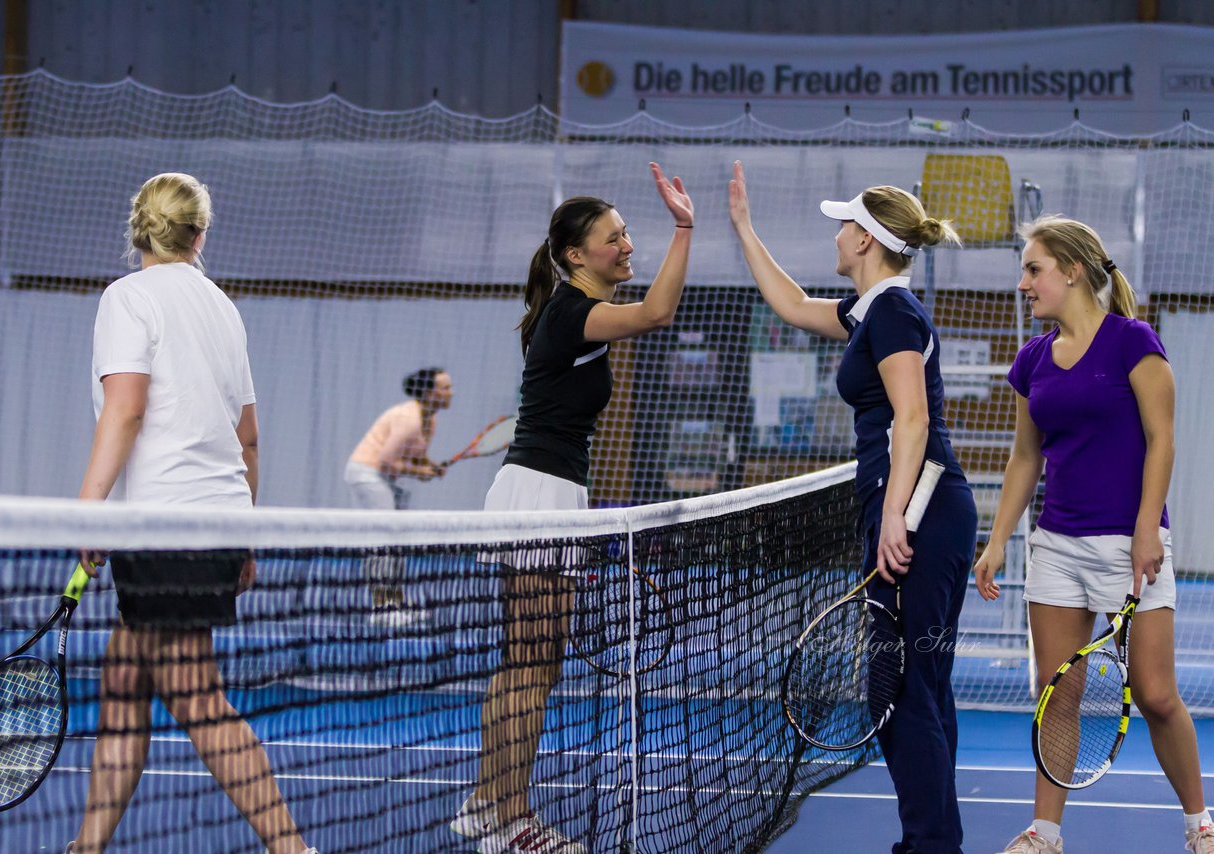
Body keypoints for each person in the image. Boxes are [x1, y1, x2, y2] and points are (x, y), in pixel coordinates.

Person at [729, 162, 978, 854]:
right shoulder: (873, 312)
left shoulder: (894, 311)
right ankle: (935, 839)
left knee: (899, 687)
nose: (836, 235)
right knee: (915, 680)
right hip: (913, 508)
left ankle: (930, 844)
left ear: (866, 240)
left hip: (917, 510)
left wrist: (894, 516)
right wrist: (744, 229)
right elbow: (793, 305)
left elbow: (915, 418)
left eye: (845, 225)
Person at [450, 162, 693, 853]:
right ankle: (509, 821)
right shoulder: (571, 313)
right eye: (613, 238)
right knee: (531, 664)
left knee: (526, 662)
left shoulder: (572, 315)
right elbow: (658, 312)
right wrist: (685, 227)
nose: (626, 246)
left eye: (627, 235)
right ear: (574, 255)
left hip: (545, 494)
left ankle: (487, 801)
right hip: (539, 497)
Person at [68, 173, 313, 854]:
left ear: (137, 228)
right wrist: (243, 538)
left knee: (196, 698)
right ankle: (85, 847)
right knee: (124, 683)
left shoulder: (128, 298)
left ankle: (291, 848)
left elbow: (126, 408)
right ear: (200, 234)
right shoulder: (221, 306)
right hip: (212, 523)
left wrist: (90, 512)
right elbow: (249, 439)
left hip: (162, 528)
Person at [974, 216, 1213, 854]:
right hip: (1055, 547)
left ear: (1073, 270)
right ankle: (1044, 834)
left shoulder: (1134, 342)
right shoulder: (1031, 360)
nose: (1023, 283)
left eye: (1033, 270)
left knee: (1158, 695)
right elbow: (1026, 457)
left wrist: (1146, 529)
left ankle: (1200, 823)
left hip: (1128, 545)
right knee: (1059, 691)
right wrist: (999, 540)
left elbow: (1162, 440)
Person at [345, 367, 452, 625]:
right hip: (367, 475)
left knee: (398, 540)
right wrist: (421, 471)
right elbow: (386, 462)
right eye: (445, 388)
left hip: (385, 478)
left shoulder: (430, 419)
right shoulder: (409, 418)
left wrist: (430, 465)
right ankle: (381, 608)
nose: (451, 393)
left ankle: (397, 604)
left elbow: (414, 454)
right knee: (383, 541)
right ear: (428, 393)